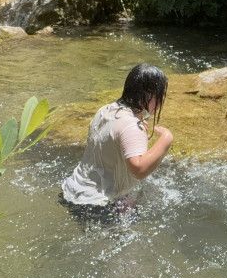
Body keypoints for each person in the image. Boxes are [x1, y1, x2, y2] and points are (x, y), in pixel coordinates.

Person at [61, 63, 174, 215]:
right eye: (160, 95)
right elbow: (139, 170)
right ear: (149, 95)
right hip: (99, 205)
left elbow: (108, 143)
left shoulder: (107, 110)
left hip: (73, 190)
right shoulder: (132, 126)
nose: (161, 102)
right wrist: (166, 139)